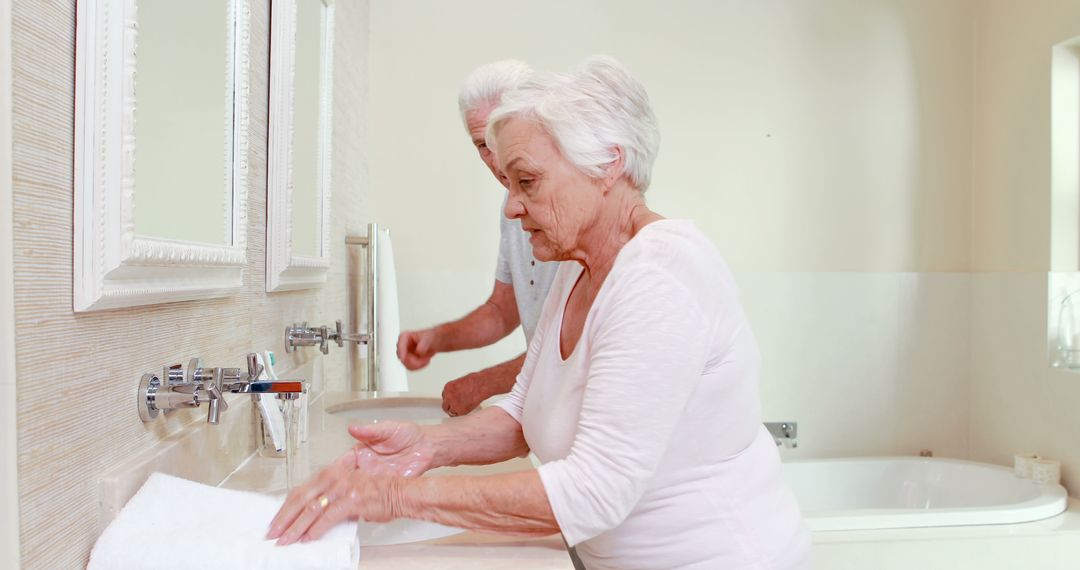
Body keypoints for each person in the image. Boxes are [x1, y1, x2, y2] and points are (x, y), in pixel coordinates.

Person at [269, 55, 810, 569]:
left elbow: (593, 492)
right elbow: (524, 408)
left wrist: (395, 496)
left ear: (608, 165)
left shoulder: (659, 276)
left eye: (526, 181)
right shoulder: (577, 265)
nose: (511, 205)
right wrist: (429, 444)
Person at [396, 60, 560, 418]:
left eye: (500, 137)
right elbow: (503, 310)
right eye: (482, 145)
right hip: (552, 411)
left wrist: (485, 383)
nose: (496, 158)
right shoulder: (512, 206)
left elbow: (573, 349)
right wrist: (437, 339)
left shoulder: (569, 205)